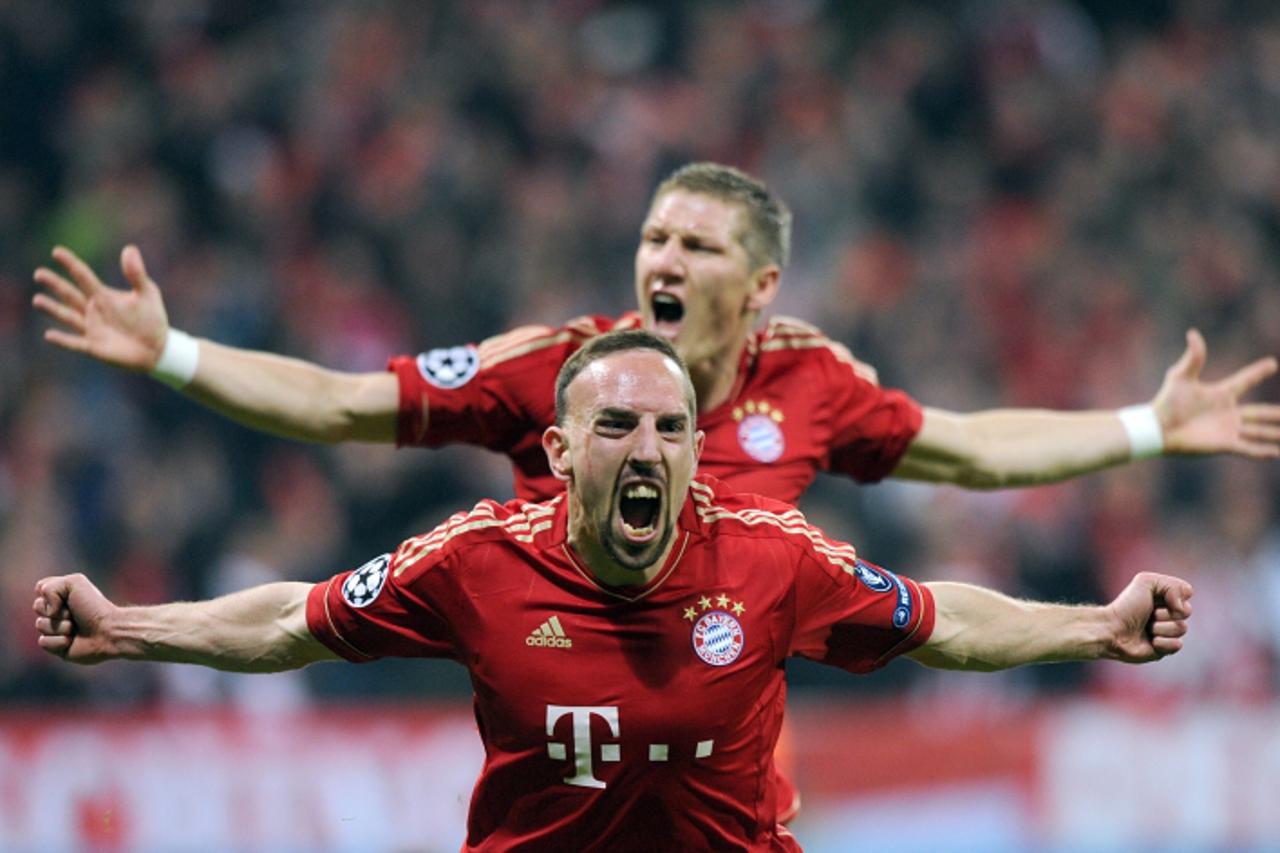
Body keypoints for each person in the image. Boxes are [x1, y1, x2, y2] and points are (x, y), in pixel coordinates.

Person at [30, 163, 1276, 821]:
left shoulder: (807, 410)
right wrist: (176, 354)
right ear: (570, 442)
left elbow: (967, 458)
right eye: (652, 238)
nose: (661, 260)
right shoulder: (547, 386)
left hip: (727, 707)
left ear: (763, 282)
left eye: (695, 244)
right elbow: (342, 407)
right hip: (557, 670)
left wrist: (1144, 428)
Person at [34, 330, 1195, 852]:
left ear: (696, 449)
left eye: (672, 427)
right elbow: (292, 620)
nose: (649, 446)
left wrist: (1094, 626)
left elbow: (941, 621)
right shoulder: (476, 560)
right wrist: (127, 629)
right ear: (561, 442)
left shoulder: (771, 554)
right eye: (619, 425)